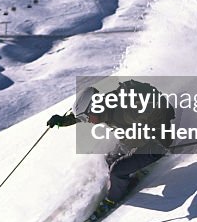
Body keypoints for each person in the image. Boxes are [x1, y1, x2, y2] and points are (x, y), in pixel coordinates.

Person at [48, 79, 176, 206]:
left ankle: (112, 199)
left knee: (117, 170)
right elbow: (81, 115)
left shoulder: (125, 110)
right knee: (108, 160)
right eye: (83, 118)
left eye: (85, 117)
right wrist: (62, 120)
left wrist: (155, 135)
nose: (86, 121)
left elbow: (156, 111)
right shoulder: (104, 107)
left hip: (155, 144)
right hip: (133, 140)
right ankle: (120, 181)